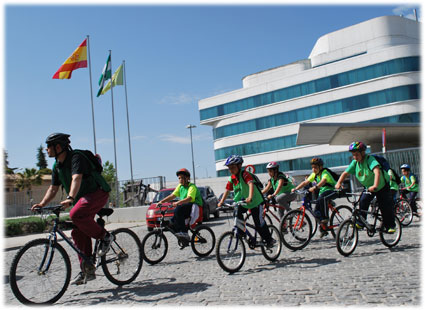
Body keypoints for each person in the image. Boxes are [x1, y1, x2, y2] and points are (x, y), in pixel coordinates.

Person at [31, 133, 113, 285]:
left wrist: (70, 198)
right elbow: (53, 188)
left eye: (48, 146)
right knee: (76, 231)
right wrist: (42, 203)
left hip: (97, 192)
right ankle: (87, 268)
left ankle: (105, 236)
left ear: (58, 147)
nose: (46, 149)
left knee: (76, 213)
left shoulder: (76, 158)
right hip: (81, 198)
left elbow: (77, 178)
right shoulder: (57, 166)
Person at [335, 141, 396, 233]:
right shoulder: (355, 162)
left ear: (363, 153)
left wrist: (375, 185)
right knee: (363, 201)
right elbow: (345, 173)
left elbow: (377, 172)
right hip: (368, 187)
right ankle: (361, 223)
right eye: (353, 155)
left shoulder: (370, 160)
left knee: (385, 206)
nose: (355, 157)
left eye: (356, 154)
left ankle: (390, 226)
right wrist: (338, 183)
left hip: (381, 186)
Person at [217, 155, 276, 248]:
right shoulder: (232, 178)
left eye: (233, 167)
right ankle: (241, 233)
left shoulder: (245, 174)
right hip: (244, 202)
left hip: (255, 201)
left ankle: (269, 240)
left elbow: (250, 184)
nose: (231, 170)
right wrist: (221, 202)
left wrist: (250, 197)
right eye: (229, 168)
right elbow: (227, 190)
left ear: (239, 166)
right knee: (237, 213)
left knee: (258, 223)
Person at [292, 157, 338, 238]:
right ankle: (323, 228)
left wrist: (315, 187)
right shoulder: (314, 174)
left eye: (315, 167)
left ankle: (325, 218)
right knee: (316, 211)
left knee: (322, 198)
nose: (313, 169)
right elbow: (305, 182)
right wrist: (296, 188)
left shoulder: (325, 172)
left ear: (321, 167)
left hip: (332, 190)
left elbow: (323, 181)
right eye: (312, 167)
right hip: (322, 192)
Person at [157, 168, 203, 240]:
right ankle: (180, 235)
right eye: (179, 178)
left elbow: (189, 198)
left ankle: (184, 232)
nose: (180, 180)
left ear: (187, 178)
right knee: (173, 220)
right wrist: (161, 202)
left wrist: (177, 202)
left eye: (182, 178)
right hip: (186, 206)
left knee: (178, 209)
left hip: (195, 206)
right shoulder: (180, 186)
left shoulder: (192, 187)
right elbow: (172, 196)